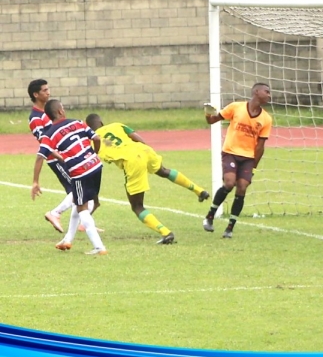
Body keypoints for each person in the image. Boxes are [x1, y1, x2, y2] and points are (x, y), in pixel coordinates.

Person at [85, 114, 210, 244]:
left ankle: (166, 233)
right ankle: (199, 190)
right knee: (163, 171)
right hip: (144, 150)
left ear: (88, 128)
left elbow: (95, 159)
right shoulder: (116, 125)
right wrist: (144, 154)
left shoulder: (92, 141)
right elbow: (138, 138)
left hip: (132, 160)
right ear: (101, 122)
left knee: (137, 206)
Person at [31, 100, 108, 255]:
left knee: (82, 208)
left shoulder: (49, 134)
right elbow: (97, 139)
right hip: (96, 166)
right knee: (78, 202)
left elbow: (40, 157)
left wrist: (35, 182)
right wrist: (95, 154)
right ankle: (67, 240)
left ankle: (99, 247)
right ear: (60, 111)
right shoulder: (78, 122)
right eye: (63, 107)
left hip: (80, 171)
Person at [202, 83, 272, 238]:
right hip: (231, 152)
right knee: (229, 183)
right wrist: (208, 114)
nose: (269, 95)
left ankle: (230, 228)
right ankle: (210, 216)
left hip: (248, 157)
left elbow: (260, 146)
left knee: (242, 187)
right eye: (266, 91)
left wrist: (253, 168)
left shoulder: (266, 119)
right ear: (256, 91)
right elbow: (212, 120)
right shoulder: (236, 107)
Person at [28, 79, 82, 232]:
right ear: (36, 94)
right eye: (45, 90)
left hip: (66, 155)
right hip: (56, 159)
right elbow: (44, 144)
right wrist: (61, 157)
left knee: (78, 189)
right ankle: (55, 214)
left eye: (48, 89)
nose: (48, 92)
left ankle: (83, 222)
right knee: (76, 188)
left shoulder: (49, 112)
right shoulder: (35, 118)